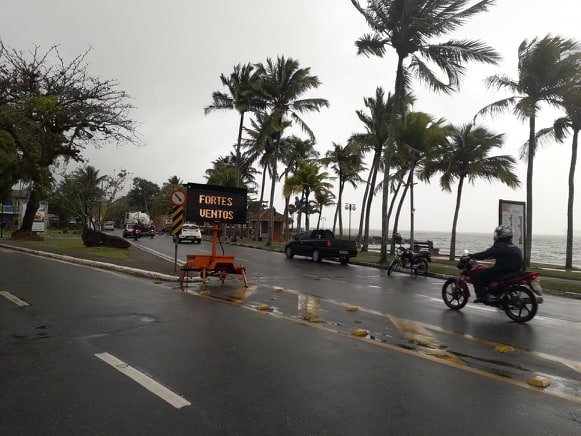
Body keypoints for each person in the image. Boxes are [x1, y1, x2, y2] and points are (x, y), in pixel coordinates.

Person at [469, 224, 523, 304]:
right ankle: (495, 293)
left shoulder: (499, 246)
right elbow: (502, 255)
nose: (496, 235)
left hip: (502, 271)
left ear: (502, 235)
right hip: (515, 271)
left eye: (497, 233)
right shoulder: (513, 247)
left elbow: (485, 254)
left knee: (478, 275)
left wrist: (471, 256)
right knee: (488, 272)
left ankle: (482, 297)